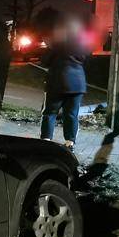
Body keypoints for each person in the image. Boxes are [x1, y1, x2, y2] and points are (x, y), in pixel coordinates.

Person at [40, 16, 88, 151]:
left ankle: (46, 141)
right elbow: (86, 59)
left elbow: (44, 61)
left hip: (57, 83)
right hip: (77, 84)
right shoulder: (81, 44)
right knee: (72, 114)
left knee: (50, 113)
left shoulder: (56, 43)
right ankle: (69, 143)